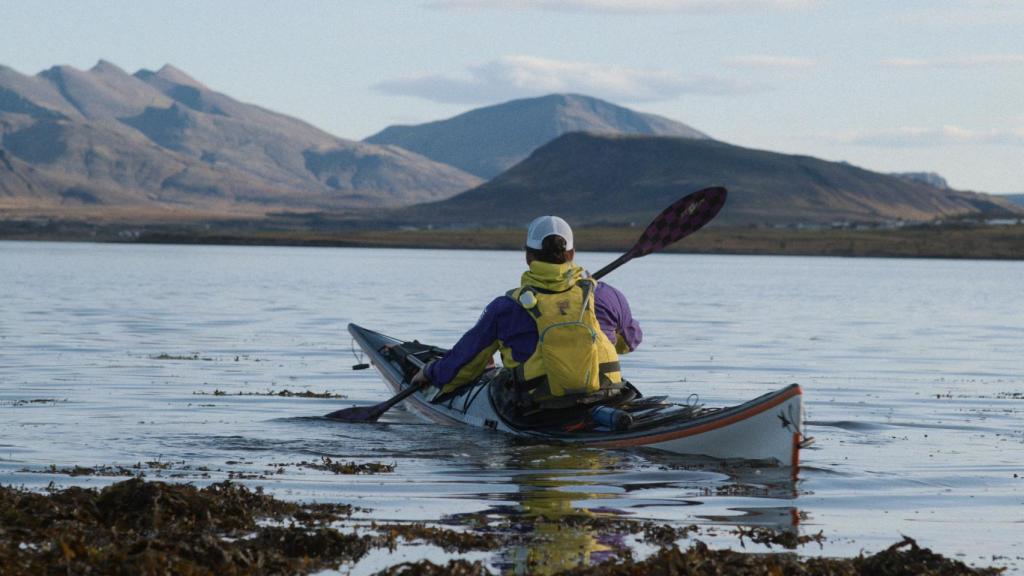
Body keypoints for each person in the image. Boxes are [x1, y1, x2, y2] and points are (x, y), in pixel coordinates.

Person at [411, 215, 642, 415]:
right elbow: (629, 343)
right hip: (606, 399)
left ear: (528, 256)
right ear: (572, 254)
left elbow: (463, 366)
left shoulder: (506, 308)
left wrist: (430, 373)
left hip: (538, 411)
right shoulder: (607, 296)